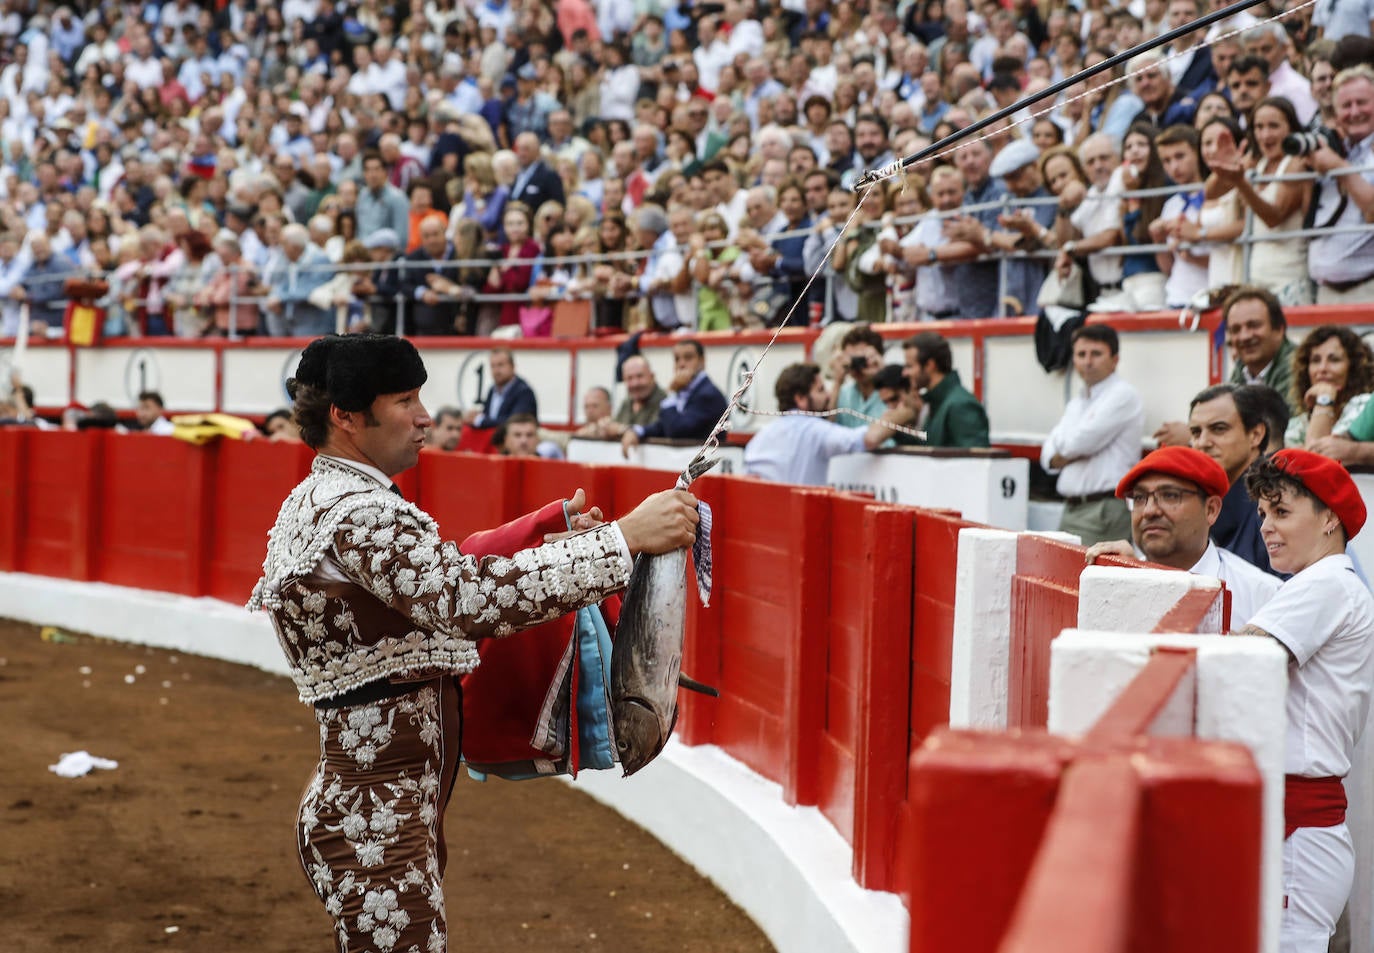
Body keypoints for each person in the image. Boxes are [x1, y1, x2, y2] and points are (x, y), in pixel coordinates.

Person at [247, 333, 699, 953]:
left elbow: (435, 581)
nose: (424, 416)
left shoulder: (333, 499)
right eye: (404, 399)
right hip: (378, 821)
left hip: (379, 807)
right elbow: (461, 600)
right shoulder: (356, 512)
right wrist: (621, 540)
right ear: (346, 417)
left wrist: (541, 529)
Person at [1237, 450, 1374, 953]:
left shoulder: (1327, 583)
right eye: (1263, 515)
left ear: (1329, 516)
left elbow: (1237, 659)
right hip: (1298, 821)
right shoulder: (1324, 583)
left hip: (1299, 826)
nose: (1266, 528)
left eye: (1282, 512)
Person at [1084, 446, 1279, 628]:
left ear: (1211, 509)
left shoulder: (1262, 595)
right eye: (1139, 498)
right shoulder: (1113, 581)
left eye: (1170, 495)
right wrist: (1129, 574)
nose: (1149, 510)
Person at [1041, 325, 1146, 546]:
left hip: (1103, 510)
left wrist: (1066, 452)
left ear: (1115, 359)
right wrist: (1067, 450)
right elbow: (1047, 455)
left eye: (1096, 354)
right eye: (1081, 354)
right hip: (1072, 508)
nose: (1087, 361)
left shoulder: (1123, 395)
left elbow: (1075, 444)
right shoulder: (1077, 402)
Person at [743, 362, 914, 486]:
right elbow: (870, 438)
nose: (827, 396)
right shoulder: (813, 430)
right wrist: (905, 413)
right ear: (801, 399)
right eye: (820, 390)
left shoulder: (760, 438)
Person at [1188, 383, 1282, 575]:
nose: (1203, 443)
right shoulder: (1194, 501)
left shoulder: (1282, 497)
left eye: (1219, 429)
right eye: (1196, 432)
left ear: (1255, 435)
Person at [1308, 65, 1374, 303]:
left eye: (1362, 102)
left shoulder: (1337, 159)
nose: (1355, 112)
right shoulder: (1337, 148)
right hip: (1325, 293)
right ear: (1335, 113)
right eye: (1346, 106)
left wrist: (1337, 165)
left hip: (1367, 288)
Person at [620, 339, 728, 454]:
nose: (681, 364)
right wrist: (637, 431)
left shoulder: (708, 394)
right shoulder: (687, 391)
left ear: (702, 361)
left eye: (688, 358)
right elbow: (662, 426)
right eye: (677, 359)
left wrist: (672, 391)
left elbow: (676, 431)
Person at [1285, 325, 1374, 448]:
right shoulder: (1299, 423)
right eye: (1315, 360)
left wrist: (1324, 399)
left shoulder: (1364, 405)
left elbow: (1318, 459)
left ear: (1354, 368)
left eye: (1334, 360)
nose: (1322, 369)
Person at [901, 331, 990, 448]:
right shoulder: (937, 402)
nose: (905, 373)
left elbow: (975, 460)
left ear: (929, 365)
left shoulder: (960, 405)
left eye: (910, 366)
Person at [827, 323, 887, 429]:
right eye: (852, 360)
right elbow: (828, 428)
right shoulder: (843, 394)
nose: (857, 366)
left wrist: (883, 371)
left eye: (861, 359)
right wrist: (837, 382)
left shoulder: (892, 392)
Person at [465, 347, 538, 429]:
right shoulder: (492, 390)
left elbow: (515, 422)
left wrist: (480, 420)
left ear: (512, 366)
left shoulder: (524, 392)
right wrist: (476, 415)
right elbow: (490, 417)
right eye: (493, 366)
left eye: (500, 365)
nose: (496, 370)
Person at [602, 355, 666, 438]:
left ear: (652, 377)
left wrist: (621, 430)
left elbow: (656, 431)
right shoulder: (627, 402)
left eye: (640, 376)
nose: (635, 383)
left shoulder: (665, 403)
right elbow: (614, 426)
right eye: (629, 378)